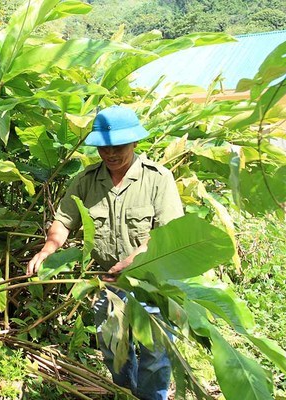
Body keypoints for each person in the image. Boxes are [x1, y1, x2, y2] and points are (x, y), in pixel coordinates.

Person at [26, 105, 183, 400]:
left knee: (154, 354)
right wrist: (48, 249)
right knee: (114, 352)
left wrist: (135, 259)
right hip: (106, 283)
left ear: (135, 142)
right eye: (103, 148)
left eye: (118, 147)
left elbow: (168, 234)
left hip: (152, 282)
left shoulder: (158, 178)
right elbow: (63, 220)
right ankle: (124, 393)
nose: (110, 154)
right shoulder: (87, 179)